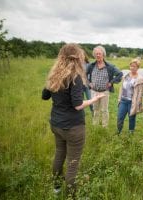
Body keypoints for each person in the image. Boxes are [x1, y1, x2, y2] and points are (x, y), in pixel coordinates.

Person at [41, 44, 105, 196]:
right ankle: (72, 195)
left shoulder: (55, 74)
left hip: (56, 124)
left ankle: (56, 188)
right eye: (81, 56)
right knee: (73, 163)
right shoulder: (74, 76)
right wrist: (94, 99)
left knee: (59, 154)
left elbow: (45, 96)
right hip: (73, 127)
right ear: (76, 58)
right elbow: (77, 105)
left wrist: (50, 81)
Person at [87, 45, 123, 127]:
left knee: (104, 110)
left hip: (104, 92)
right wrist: (89, 83)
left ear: (103, 54)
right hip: (94, 91)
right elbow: (84, 75)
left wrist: (111, 82)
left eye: (99, 53)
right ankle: (95, 126)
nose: (98, 55)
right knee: (95, 109)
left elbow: (120, 74)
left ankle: (104, 127)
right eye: (96, 54)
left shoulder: (109, 66)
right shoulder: (91, 65)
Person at [117, 58, 143, 134]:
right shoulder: (126, 76)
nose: (132, 68)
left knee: (132, 118)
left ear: (138, 68)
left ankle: (131, 133)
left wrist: (137, 104)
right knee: (120, 117)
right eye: (131, 66)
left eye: (134, 66)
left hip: (132, 102)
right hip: (123, 100)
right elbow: (121, 88)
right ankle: (119, 131)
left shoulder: (140, 79)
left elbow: (140, 93)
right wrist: (119, 99)